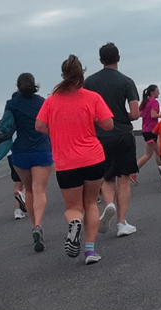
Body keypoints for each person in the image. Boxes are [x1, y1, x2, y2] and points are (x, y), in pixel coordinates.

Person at [35, 55, 114, 264]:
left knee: (73, 208)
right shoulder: (92, 97)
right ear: (82, 75)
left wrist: (58, 131)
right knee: (91, 202)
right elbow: (108, 124)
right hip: (93, 157)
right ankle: (90, 250)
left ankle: (74, 223)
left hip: (66, 161)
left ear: (63, 76)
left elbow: (39, 126)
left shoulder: (51, 100)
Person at [83, 42, 140, 237]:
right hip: (123, 133)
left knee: (107, 177)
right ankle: (122, 223)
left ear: (100, 60)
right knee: (124, 179)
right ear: (118, 58)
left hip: (100, 136)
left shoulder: (89, 82)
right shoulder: (126, 81)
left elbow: (85, 111)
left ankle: (109, 205)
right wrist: (122, 115)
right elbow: (135, 113)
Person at [3, 73, 54, 252]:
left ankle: (34, 225)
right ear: (34, 84)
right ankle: (38, 224)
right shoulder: (42, 102)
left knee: (29, 188)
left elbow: (6, 127)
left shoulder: (11, 104)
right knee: (40, 189)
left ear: (18, 86)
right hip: (41, 150)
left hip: (20, 153)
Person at [136, 84, 161, 173]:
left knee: (156, 153)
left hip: (145, 130)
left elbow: (138, 114)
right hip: (152, 130)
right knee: (148, 155)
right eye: (157, 91)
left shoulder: (144, 102)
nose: (159, 93)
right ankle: (132, 171)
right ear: (152, 92)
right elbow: (153, 115)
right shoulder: (154, 102)